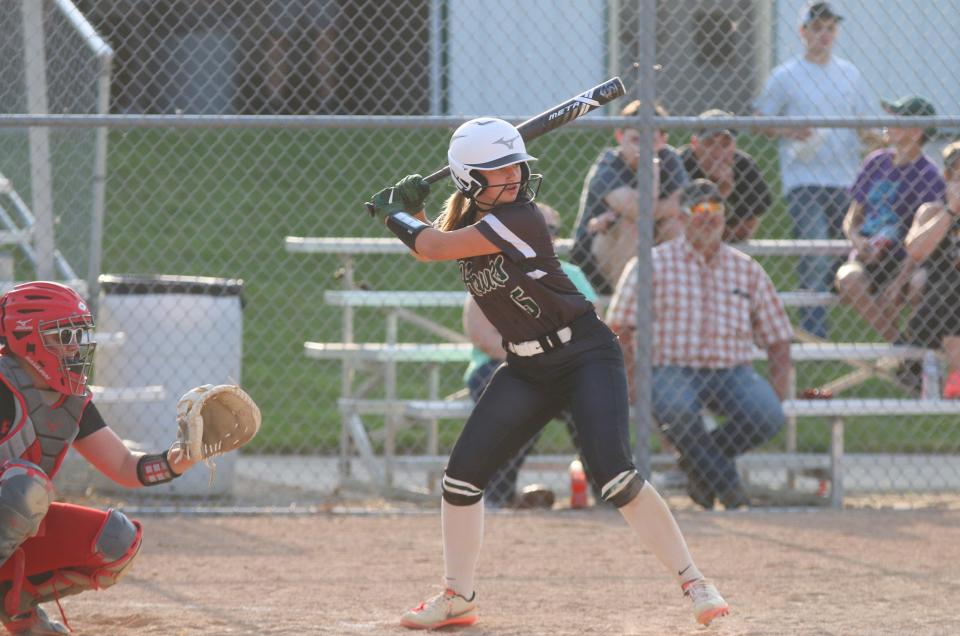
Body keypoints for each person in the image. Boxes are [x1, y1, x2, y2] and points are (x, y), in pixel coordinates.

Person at [366, 117, 728, 629]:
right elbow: (440, 238)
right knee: (461, 478)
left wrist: (398, 217)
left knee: (616, 475)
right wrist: (414, 211)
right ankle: (459, 595)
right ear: (467, 178)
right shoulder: (475, 220)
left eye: (515, 165)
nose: (513, 176)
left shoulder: (521, 216)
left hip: (584, 355)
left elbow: (431, 246)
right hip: (527, 365)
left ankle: (694, 581)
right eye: (497, 170)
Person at [0, 281, 209, 634]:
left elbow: (126, 467)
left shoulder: (72, 400)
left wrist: (178, 460)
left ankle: (14, 601)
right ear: (26, 338)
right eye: (61, 336)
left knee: (115, 539)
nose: (73, 347)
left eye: (76, 336)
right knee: (25, 487)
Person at [607, 180, 793, 510]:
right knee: (677, 409)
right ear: (681, 216)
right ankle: (732, 492)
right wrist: (633, 379)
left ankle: (697, 468)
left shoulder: (747, 269)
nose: (709, 217)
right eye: (699, 209)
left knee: (767, 415)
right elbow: (619, 326)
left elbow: (778, 337)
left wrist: (777, 390)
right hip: (670, 369)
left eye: (716, 209)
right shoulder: (651, 264)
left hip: (732, 372)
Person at [753, 0, 879, 338]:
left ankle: (849, 320)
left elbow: (867, 123)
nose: (824, 34)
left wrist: (873, 140)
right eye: (817, 27)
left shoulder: (849, 74)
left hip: (846, 179)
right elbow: (760, 121)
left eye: (830, 28)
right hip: (803, 178)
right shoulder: (786, 75)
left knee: (843, 252)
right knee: (814, 252)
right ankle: (814, 333)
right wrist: (789, 131)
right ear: (803, 32)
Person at [463, 202, 600, 507]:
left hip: (563, 368)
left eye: (549, 230)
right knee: (521, 400)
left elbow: (593, 331)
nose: (540, 236)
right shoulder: (489, 272)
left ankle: (609, 489)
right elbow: (484, 338)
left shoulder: (572, 275)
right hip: (501, 365)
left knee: (593, 400)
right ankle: (495, 496)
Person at [836, 95, 945, 343]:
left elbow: (922, 237)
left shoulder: (928, 175)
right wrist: (856, 239)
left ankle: (918, 351)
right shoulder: (876, 162)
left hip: (903, 259)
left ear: (916, 131)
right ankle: (901, 348)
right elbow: (853, 216)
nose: (888, 123)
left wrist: (899, 280)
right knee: (847, 277)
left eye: (897, 119)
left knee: (918, 285)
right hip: (868, 254)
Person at [571, 100, 688, 294]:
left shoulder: (671, 159)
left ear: (663, 140)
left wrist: (649, 208)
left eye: (651, 140)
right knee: (631, 226)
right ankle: (631, 305)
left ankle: (676, 295)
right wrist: (651, 166)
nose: (643, 147)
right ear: (619, 136)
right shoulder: (608, 166)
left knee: (674, 225)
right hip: (596, 257)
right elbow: (640, 211)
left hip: (652, 239)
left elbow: (681, 205)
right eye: (636, 140)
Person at [904, 142, 960, 396]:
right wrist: (951, 210)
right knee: (950, 280)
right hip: (941, 301)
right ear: (948, 177)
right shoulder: (932, 212)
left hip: (932, 316)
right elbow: (915, 250)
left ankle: (923, 365)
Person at [679, 109, 772, 244]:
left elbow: (745, 230)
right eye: (709, 143)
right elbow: (679, 227)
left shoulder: (745, 166)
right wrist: (721, 192)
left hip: (727, 249)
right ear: (694, 143)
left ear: (734, 145)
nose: (717, 152)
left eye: (725, 144)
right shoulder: (679, 164)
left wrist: (725, 193)